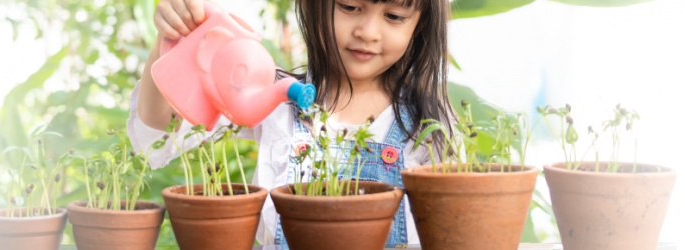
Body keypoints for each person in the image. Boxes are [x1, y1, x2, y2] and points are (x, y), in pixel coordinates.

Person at [129, 0, 455, 246]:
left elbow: (453, 230)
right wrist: (169, 37)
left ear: (421, 25)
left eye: (394, 16)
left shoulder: (429, 126)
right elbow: (158, 132)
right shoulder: (272, 98)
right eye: (350, 6)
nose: (367, 32)